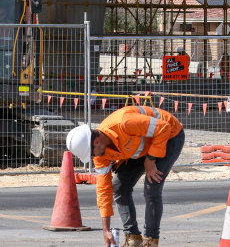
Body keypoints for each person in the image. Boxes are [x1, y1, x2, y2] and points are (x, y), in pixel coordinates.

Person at [66, 105, 184, 247]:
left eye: (91, 154)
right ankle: (133, 237)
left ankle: (151, 241)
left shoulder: (124, 123)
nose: (92, 157)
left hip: (170, 135)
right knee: (119, 187)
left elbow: (163, 128)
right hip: (142, 146)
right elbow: (104, 189)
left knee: (152, 186)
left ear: (96, 142)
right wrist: (106, 230)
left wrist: (150, 160)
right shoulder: (100, 154)